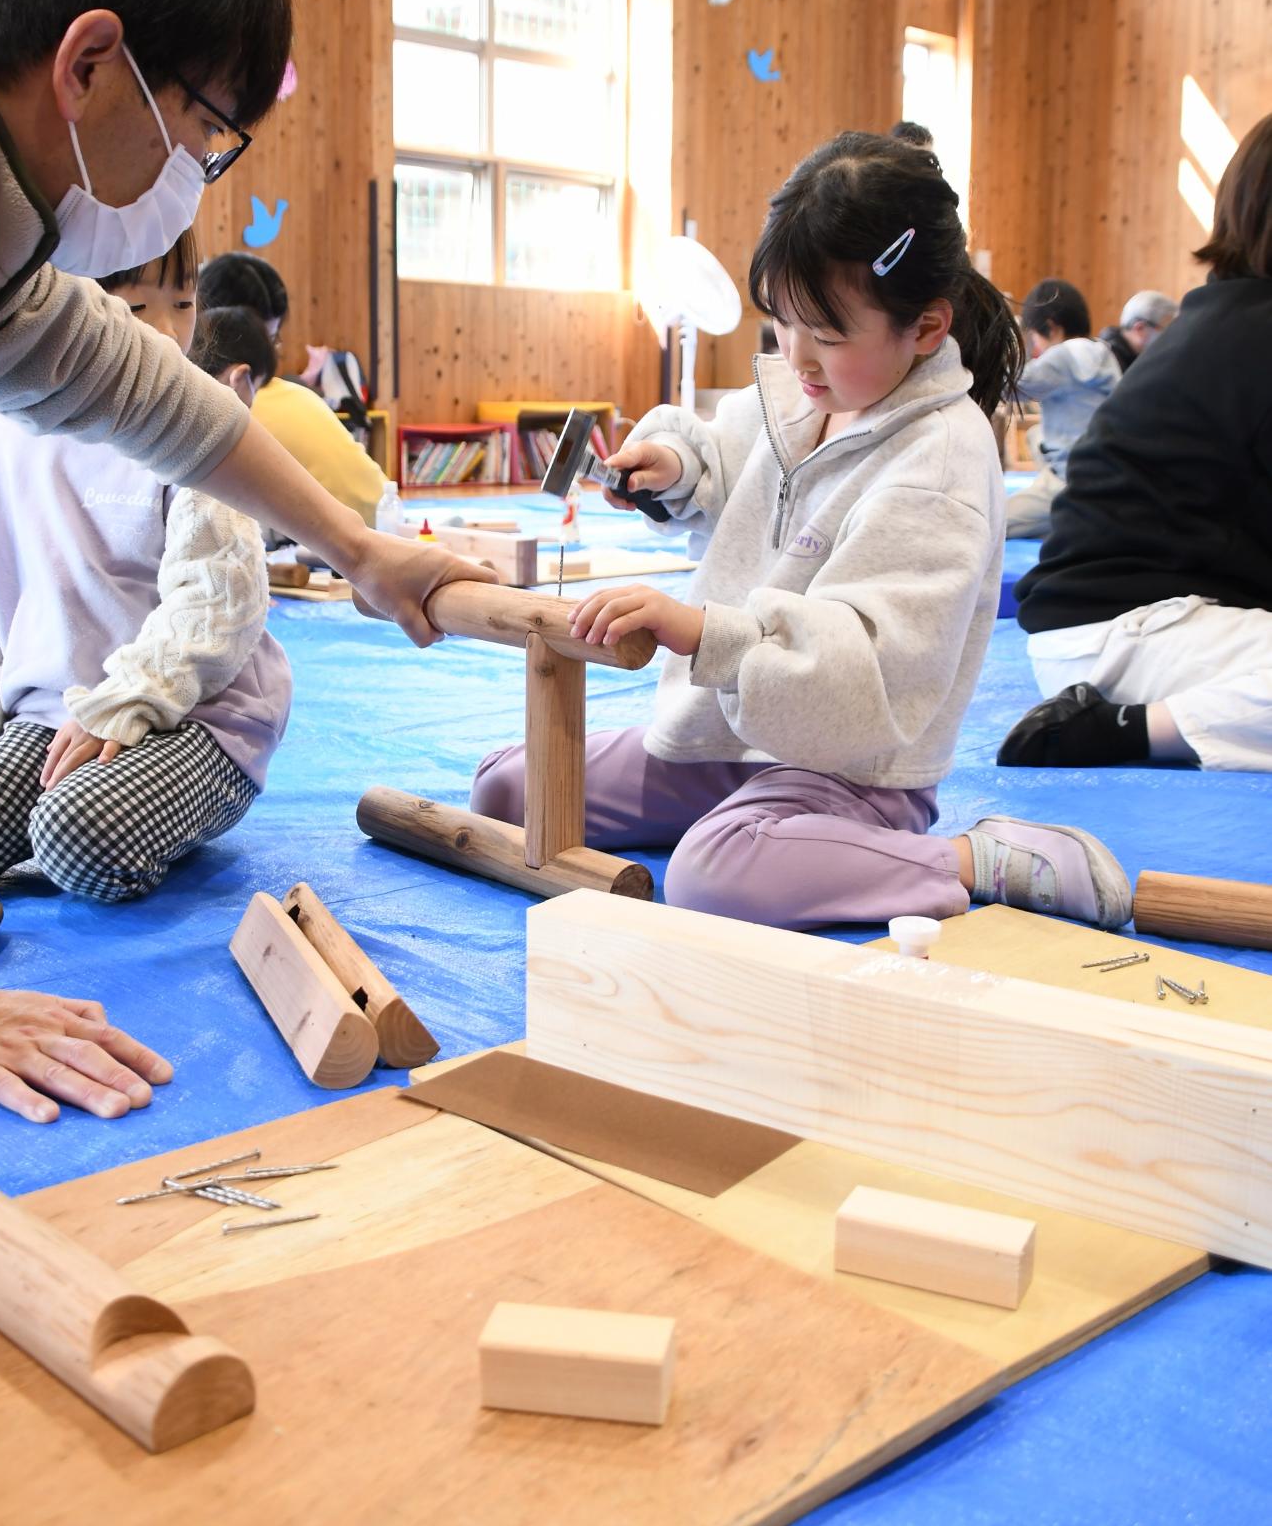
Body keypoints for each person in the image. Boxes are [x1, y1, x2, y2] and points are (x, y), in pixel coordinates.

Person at [0, 0, 487, 1122]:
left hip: (161, 720)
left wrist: (364, 555)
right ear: (88, 63)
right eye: (200, 132)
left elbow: (159, 402)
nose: (193, 173)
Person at [472, 133, 1132, 934]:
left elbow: (869, 667)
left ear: (924, 329)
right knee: (508, 788)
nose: (797, 356)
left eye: (826, 334)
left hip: (851, 762)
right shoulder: (802, 392)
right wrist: (673, 464)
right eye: (781, 322)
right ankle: (776, 835)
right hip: (727, 729)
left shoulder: (941, 457)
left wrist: (700, 633)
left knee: (713, 876)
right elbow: (724, 452)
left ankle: (972, 857)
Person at [0, 231, 292, 902]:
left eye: (184, 305)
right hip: (51, 720)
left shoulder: (194, 422)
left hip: (196, 719)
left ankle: (107, 824)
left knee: (78, 833)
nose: (164, 336)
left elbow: (220, 601)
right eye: (130, 313)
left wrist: (124, 704)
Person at [1000, 115, 1272, 772]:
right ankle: (1118, 732)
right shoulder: (1251, 331)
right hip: (1125, 635)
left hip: (1149, 623)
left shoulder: (1225, 314)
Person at [198, 251, 385, 528]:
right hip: (381, 522)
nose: (267, 352)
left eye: (272, 340)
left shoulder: (243, 402)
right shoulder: (283, 395)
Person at [1004, 279, 1120, 539]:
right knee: (1035, 434)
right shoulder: (1102, 352)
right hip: (1104, 471)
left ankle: (1065, 513)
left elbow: (1011, 388)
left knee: (991, 522)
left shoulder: (1064, 355)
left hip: (1072, 482)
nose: (1035, 347)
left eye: (1034, 337)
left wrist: (994, 348)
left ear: (1052, 328)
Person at [1099, 289, 1179, 373]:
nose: (1170, 341)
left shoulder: (1134, 361)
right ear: (1140, 328)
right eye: (1167, 333)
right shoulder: (1107, 364)